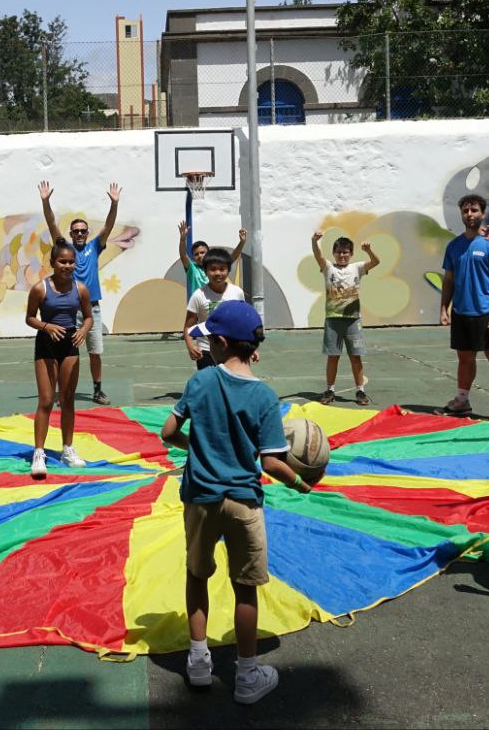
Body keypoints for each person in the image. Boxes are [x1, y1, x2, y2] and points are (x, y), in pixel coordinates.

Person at [160, 300, 310, 704]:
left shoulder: (200, 382)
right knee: (245, 589)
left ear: (223, 344)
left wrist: (194, 446)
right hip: (244, 501)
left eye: (210, 342)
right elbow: (272, 462)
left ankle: (198, 661)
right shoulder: (264, 396)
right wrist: (300, 482)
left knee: (197, 574)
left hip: (201, 498)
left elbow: (168, 430)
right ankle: (246, 676)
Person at [39, 180, 119, 405]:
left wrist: (114, 204)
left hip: (91, 308)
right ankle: (63, 392)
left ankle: (97, 390)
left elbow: (109, 226)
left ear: (88, 232)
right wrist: (45, 202)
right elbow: (52, 223)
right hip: (68, 307)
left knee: (95, 351)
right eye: (76, 231)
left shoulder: (95, 246)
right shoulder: (66, 249)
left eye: (83, 231)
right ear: (71, 234)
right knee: (64, 352)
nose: (80, 234)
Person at [25, 238, 94, 478]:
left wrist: (84, 330)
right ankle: (39, 452)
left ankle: (67, 449)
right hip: (46, 344)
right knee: (46, 399)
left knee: (67, 400)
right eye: (62, 261)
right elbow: (29, 318)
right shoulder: (40, 289)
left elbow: (88, 317)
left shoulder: (81, 289)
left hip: (70, 345)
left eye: (71, 262)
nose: (67, 265)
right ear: (52, 263)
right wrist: (46, 326)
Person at [440, 194, 489, 422]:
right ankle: (462, 401)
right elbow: (449, 280)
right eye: (466, 211)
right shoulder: (454, 246)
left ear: (483, 214)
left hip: (488, 313)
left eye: (474, 210)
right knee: (465, 358)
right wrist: (444, 308)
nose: (469, 214)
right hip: (462, 313)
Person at [311, 230, 380, 406]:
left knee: (355, 356)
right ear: (334, 253)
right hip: (333, 320)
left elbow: (376, 262)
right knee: (333, 356)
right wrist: (315, 240)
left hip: (353, 320)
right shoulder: (328, 267)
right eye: (339, 252)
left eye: (346, 252)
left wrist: (369, 251)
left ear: (351, 254)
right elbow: (318, 255)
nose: (342, 255)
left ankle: (360, 391)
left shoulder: (357, 267)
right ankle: (330, 389)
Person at [184, 247, 246, 370]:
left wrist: (250, 348)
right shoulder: (198, 295)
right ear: (206, 271)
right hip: (206, 351)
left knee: (230, 386)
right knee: (209, 387)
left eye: (222, 269)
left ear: (228, 271)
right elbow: (188, 327)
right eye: (212, 269)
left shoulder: (237, 292)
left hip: (232, 350)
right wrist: (190, 345)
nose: (217, 273)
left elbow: (243, 323)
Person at [178, 222, 247, 295]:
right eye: (196, 254)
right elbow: (183, 255)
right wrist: (182, 240)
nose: (200, 255)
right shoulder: (192, 269)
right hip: (200, 304)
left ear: (208, 253)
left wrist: (242, 242)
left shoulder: (216, 265)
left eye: (202, 252)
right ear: (194, 258)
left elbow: (232, 258)